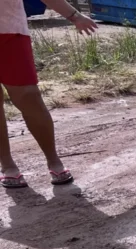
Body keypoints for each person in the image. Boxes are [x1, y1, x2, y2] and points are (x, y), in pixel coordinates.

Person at [0, 0, 97, 188]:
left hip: (10, 31)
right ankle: (7, 164)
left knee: (29, 96)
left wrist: (74, 16)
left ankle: (53, 159)